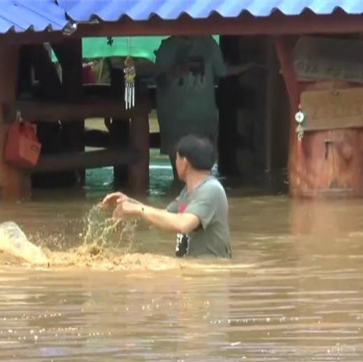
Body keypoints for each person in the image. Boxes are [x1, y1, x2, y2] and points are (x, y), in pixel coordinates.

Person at [102, 134, 232, 259]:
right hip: (193, 269)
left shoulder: (211, 189)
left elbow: (182, 224)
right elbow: (165, 215)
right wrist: (129, 202)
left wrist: (138, 210)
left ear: (184, 162)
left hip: (209, 274)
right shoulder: (188, 192)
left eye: (176, 158)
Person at [154, 35, 258, 181]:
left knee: (203, 177)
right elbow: (160, 81)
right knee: (180, 178)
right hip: (175, 121)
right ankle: (182, 203)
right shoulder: (166, 47)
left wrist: (250, 66)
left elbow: (222, 70)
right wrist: (173, 72)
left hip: (204, 119)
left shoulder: (208, 43)